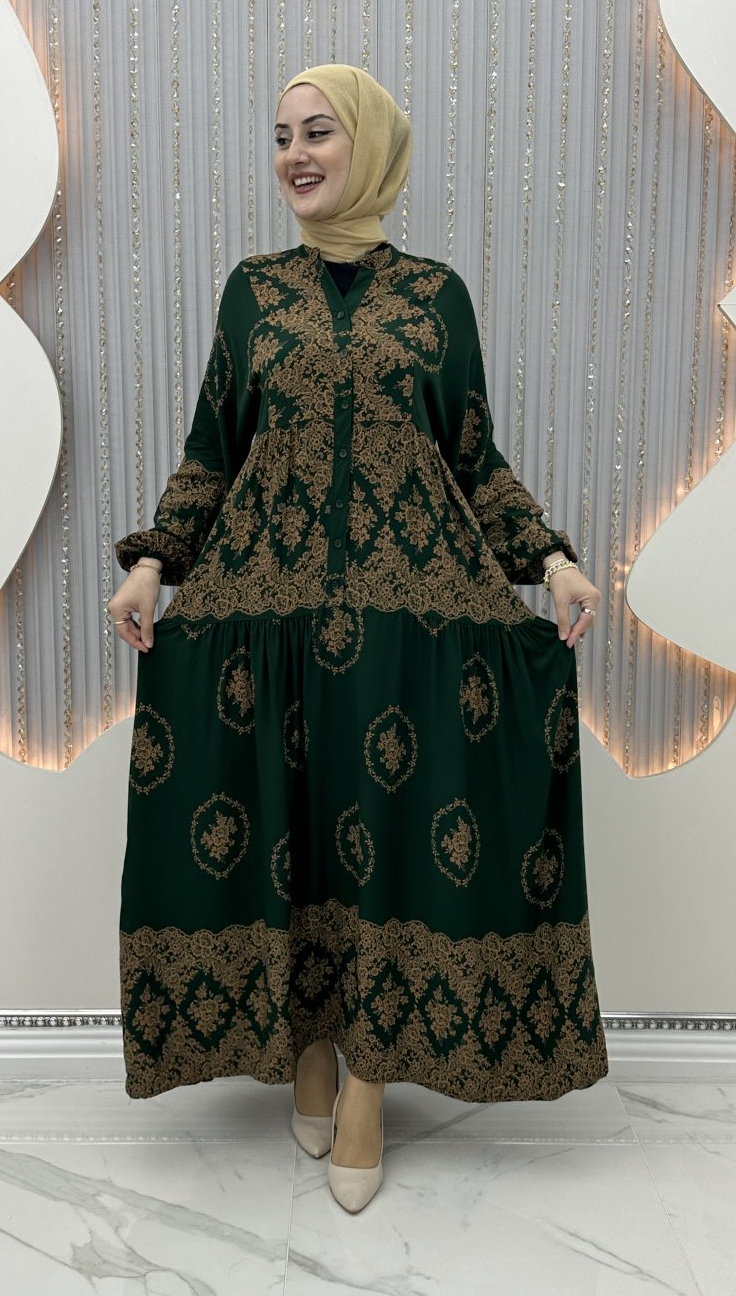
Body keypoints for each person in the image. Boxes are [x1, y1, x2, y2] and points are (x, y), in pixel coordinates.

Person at [108, 63, 608, 1214]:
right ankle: (307, 1050)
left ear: (369, 145)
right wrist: (152, 562)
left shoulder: (436, 297)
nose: (295, 153)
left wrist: (550, 560)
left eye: (319, 132)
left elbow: (473, 457)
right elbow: (214, 448)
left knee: (383, 844)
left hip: (407, 622)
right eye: (282, 134)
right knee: (287, 838)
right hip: (265, 615)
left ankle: (368, 1083)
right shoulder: (252, 292)